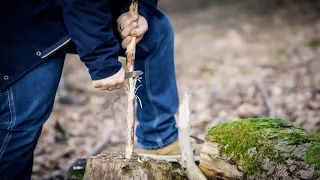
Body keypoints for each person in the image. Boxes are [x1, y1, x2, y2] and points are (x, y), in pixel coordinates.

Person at [0, 0, 189, 179]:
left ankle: (159, 143)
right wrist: (102, 61)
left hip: (80, 13)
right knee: (19, 123)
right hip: (28, 22)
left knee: (157, 31)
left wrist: (131, 12)